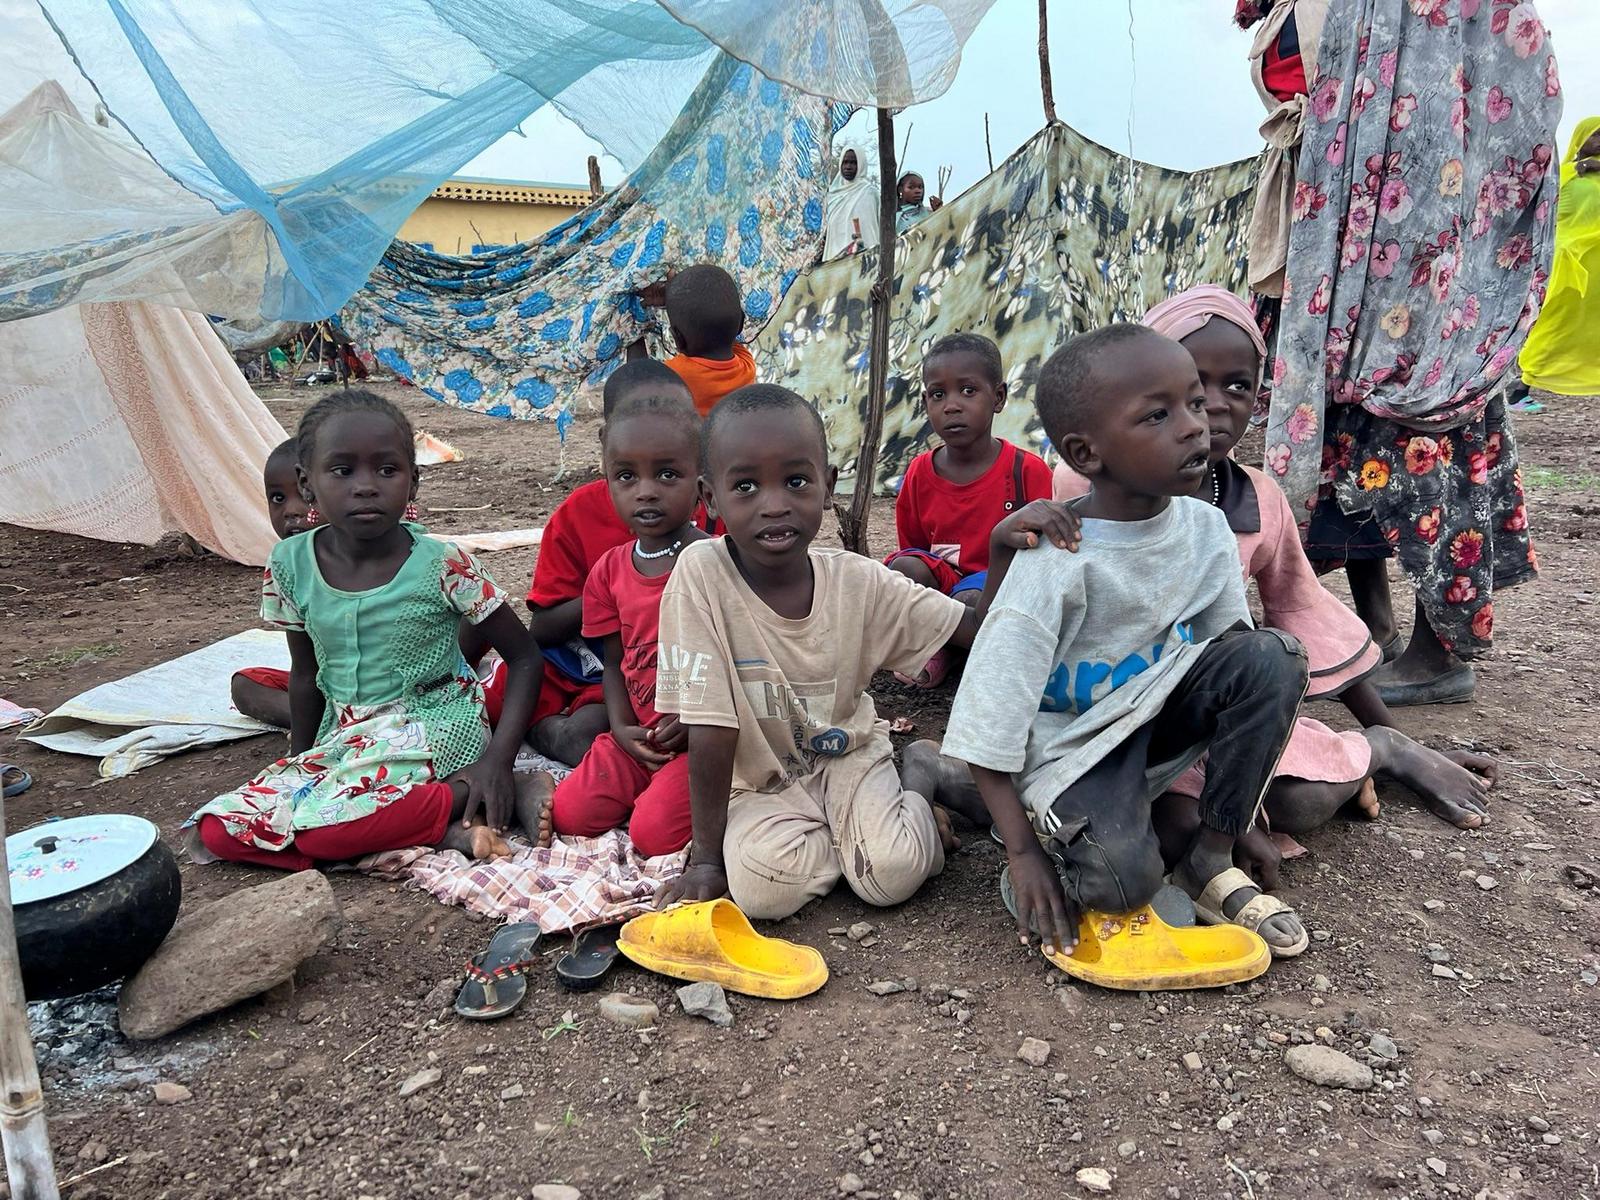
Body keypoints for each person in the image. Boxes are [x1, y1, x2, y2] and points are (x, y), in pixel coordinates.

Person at [1057, 286, 1497, 839]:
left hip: (1208, 706)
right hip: (1102, 702)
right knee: (1161, 828)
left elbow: (1302, 612)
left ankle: (1384, 751)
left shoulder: (1258, 500)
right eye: (1189, 386)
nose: (1213, 405)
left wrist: (1406, 740)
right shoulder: (1084, 482)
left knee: (1298, 804)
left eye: (1237, 385)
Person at [944, 325, 1311, 959]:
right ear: (1086, 454)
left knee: (1272, 657)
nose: (1196, 426)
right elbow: (986, 721)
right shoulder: (1055, 564)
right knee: (1120, 885)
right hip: (1070, 756)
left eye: (1193, 403)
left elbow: (1228, 666)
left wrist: (1234, 811)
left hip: (1150, 731)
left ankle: (1210, 859)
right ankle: (1028, 832)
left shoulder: (1206, 529)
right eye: (1158, 416)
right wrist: (1025, 856)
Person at [1251, 0, 1560, 707]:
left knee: (1418, 447)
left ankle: (1438, 653)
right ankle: (1376, 626)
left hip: (1413, 265)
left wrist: (1441, 248)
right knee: (1342, 447)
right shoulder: (1289, 7)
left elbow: (1511, 94)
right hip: (1327, 242)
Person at [653, 384, 983, 920]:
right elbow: (710, 727)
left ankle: (918, 779)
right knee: (762, 891)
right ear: (710, 499)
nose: (774, 504)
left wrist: (1007, 554)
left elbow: (970, 629)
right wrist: (708, 862)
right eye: (746, 486)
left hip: (850, 757)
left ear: (827, 487)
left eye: (796, 481)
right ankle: (870, 839)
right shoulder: (701, 577)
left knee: (893, 876)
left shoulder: (857, 582)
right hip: (760, 784)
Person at [188, 391, 545, 869]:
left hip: (433, 726)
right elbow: (305, 673)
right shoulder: (289, 564)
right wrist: (301, 766)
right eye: (342, 470)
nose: (365, 486)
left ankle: (466, 792)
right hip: (346, 735)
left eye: (387, 470)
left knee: (324, 835)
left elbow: (525, 657)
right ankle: (434, 825)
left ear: (413, 482)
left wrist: (498, 761)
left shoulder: (442, 564)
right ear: (307, 484)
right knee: (219, 830)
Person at [529, 391, 709, 855]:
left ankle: (698, 795)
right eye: (626, 476)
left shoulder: (715, 563)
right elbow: (614, 664)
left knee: (652, 836)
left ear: (701, 482)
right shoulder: (609, 571)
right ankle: (645, 786)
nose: (645, 491)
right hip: (639, 732)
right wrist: (624, 730)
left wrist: (696, 722)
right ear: (607, 482)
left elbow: (741, 659)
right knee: (571, 816)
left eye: (666, 474)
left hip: (703, 739)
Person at [887, 332, 1052, 687]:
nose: (952, 406)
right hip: (943, 583)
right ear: (925, 402)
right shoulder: (919, 471)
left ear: (998, 397)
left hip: (998, 586)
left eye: (968, 391)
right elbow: (913, 545)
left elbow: (1045, 557)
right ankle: (936, 644)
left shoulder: (1026, 471)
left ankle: (953, 651)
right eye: (938, 394)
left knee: (971, 597)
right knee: (903, 570)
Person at [230, 438, 316, 729]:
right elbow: (304, 668)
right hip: (330, 683)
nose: (291, 510)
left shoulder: (377, 555)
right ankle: (324, 723)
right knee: (246, 685)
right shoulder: (287, 566)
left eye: (305, 495)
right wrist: (304, 742)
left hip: (399, 685)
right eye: (277, 498)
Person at [1517, 118, 1600, 398]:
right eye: (1595, 135)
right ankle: (1525, 382)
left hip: (1595, 261)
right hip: (1564, 260)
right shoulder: (1562, 174)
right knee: (1554, 319)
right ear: (1579, 139)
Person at [660, 264, 756, 418]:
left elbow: (637, 381)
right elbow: (727, 327)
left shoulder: (671, 375)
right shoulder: (747, 366)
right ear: (741, 324)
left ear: (678, 339)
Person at [823, 137, 879, 260]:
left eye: (853, 163)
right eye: (845, 162)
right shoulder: (831, 195)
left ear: (861, 164)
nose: (848, 166)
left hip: (866, 260)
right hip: (835, 261)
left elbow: (874, 227)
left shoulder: (870, 192)